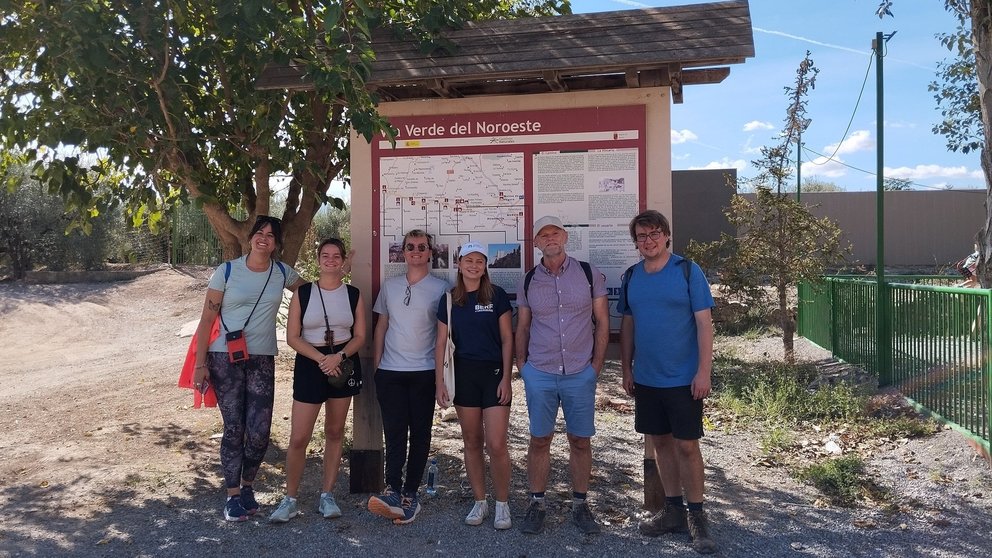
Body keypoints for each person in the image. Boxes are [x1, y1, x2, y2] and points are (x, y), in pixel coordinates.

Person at [616, 209, 717, 554]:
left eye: (654, 233)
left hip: (684, 379)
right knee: (659, 442)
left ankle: (698, 516)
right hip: (647, 378)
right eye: (641, 237)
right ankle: (673, 509)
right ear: (636, 243)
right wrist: (627, 369)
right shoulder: (632, 277)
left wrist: (704, 371)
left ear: (667, 235)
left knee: (687, 445)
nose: (648, 241)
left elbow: (705, 324)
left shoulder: (688, 271)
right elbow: (628, 325)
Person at [192, 215, 305, 522]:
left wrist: (341, 272)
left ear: (276, 243)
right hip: (223, 358)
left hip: (262, 358)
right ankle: (231, 496)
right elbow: (207, 319)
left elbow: (314, 295)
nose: (264, 238)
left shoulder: (283, 273)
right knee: (234, 428)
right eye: (260, 232)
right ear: (251, 236)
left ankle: (247, 487)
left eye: (271, 235)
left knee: (259, 431)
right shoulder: (227, 271)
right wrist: (199, 365)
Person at [514, 215, 609, 535]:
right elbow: (523, 326)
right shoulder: (528, 280)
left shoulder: (587, 273)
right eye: (543, 235)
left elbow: (603, 322)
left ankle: (581, 505)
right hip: (539, 371)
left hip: (580, 372)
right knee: (539, 439)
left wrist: (595, 366)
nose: (550, 238)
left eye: (555, 232)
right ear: (536, 243)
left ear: (565, 237)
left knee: (580, 440)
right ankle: (536, 503)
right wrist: (522, 366)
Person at [269, 238, 367, 523]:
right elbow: (292, 337)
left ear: (342, 261)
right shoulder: (303, 294)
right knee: (299, 437)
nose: (331, 260)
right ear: (318, 259)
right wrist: (321, 359)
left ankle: (327, 495)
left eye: (336, 256)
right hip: (312, 363)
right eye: (326, 255)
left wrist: (339, 357)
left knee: (335, 432)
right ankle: (290, 499)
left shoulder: (353, 294)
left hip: (343, 363)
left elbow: (360, 335)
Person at [367, 229, 450, 524]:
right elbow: (381, 328)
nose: (416, 251)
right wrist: (377, 367)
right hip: (390, 372)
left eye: (422, 247)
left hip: (424, 371)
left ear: (430, 253)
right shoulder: (389, 287)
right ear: (402, 252)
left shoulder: (442, 288)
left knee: (421, 434)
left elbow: (445, 337)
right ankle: (392, 490)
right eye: (410, 246)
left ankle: (411, 495)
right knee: (394, 433)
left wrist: (441, 377)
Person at [434, 241, 514, 530]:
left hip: (493, 375)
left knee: (496, 444)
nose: (474, 266)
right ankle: (480, 501)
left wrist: (507, 377)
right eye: (469, 260)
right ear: (459, 263)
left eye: (479, 261)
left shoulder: (497, 296)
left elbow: (508, 339)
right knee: (471, 442)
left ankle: (502, 505)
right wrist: (439, 383)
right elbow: (441, 343)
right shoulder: (449, 299)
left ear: (485, 266)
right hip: (463, 376)